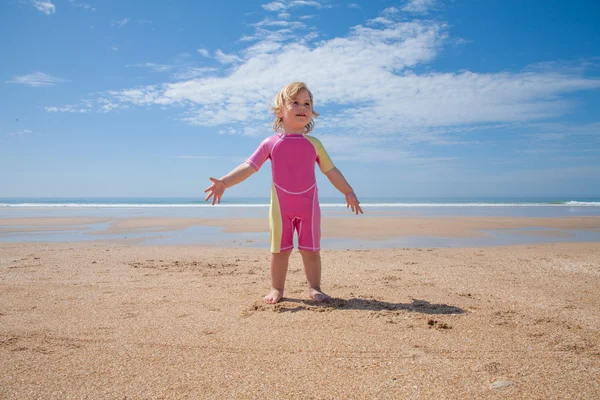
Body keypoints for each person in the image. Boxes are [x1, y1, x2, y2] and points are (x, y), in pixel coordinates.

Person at [204, 82, 363, 304]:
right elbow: (249, 166)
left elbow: (330, 170)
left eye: (307, 103)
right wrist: (224, 182)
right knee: (279, 251)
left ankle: (314, 288)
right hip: (281, 208)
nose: (302, 107)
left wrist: (348, 191)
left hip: (309, 207)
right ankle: (276, 288)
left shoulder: (314, 144)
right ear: (280, 111)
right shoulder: (270, 143)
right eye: (295, 102)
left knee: (311, 250)